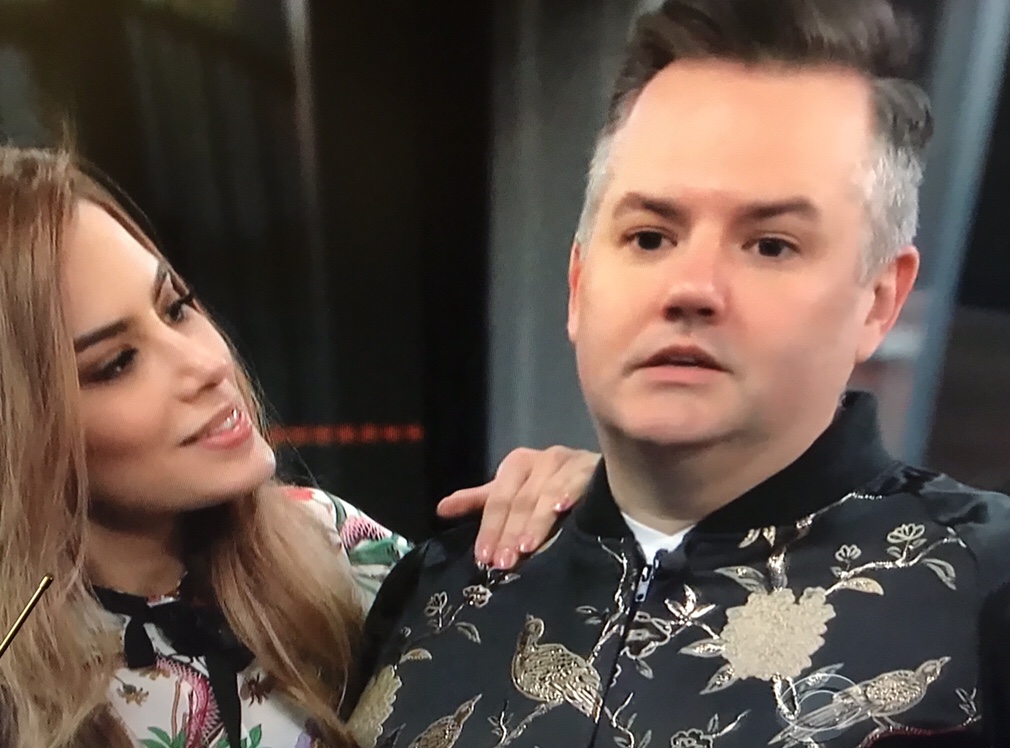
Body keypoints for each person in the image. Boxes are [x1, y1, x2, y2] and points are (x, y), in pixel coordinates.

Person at [352, 1, 1010, 746]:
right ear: (577, 284)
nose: (690, 287)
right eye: (649, 237)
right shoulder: (440, 589)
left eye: (770, 245)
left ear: (879, 300)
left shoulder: (983, 594)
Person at [0, 144, 594, 748]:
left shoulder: (330, 544)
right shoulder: (17, 695)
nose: (208, 363)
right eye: (119, 362)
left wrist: (615, 521)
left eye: (176, 309)